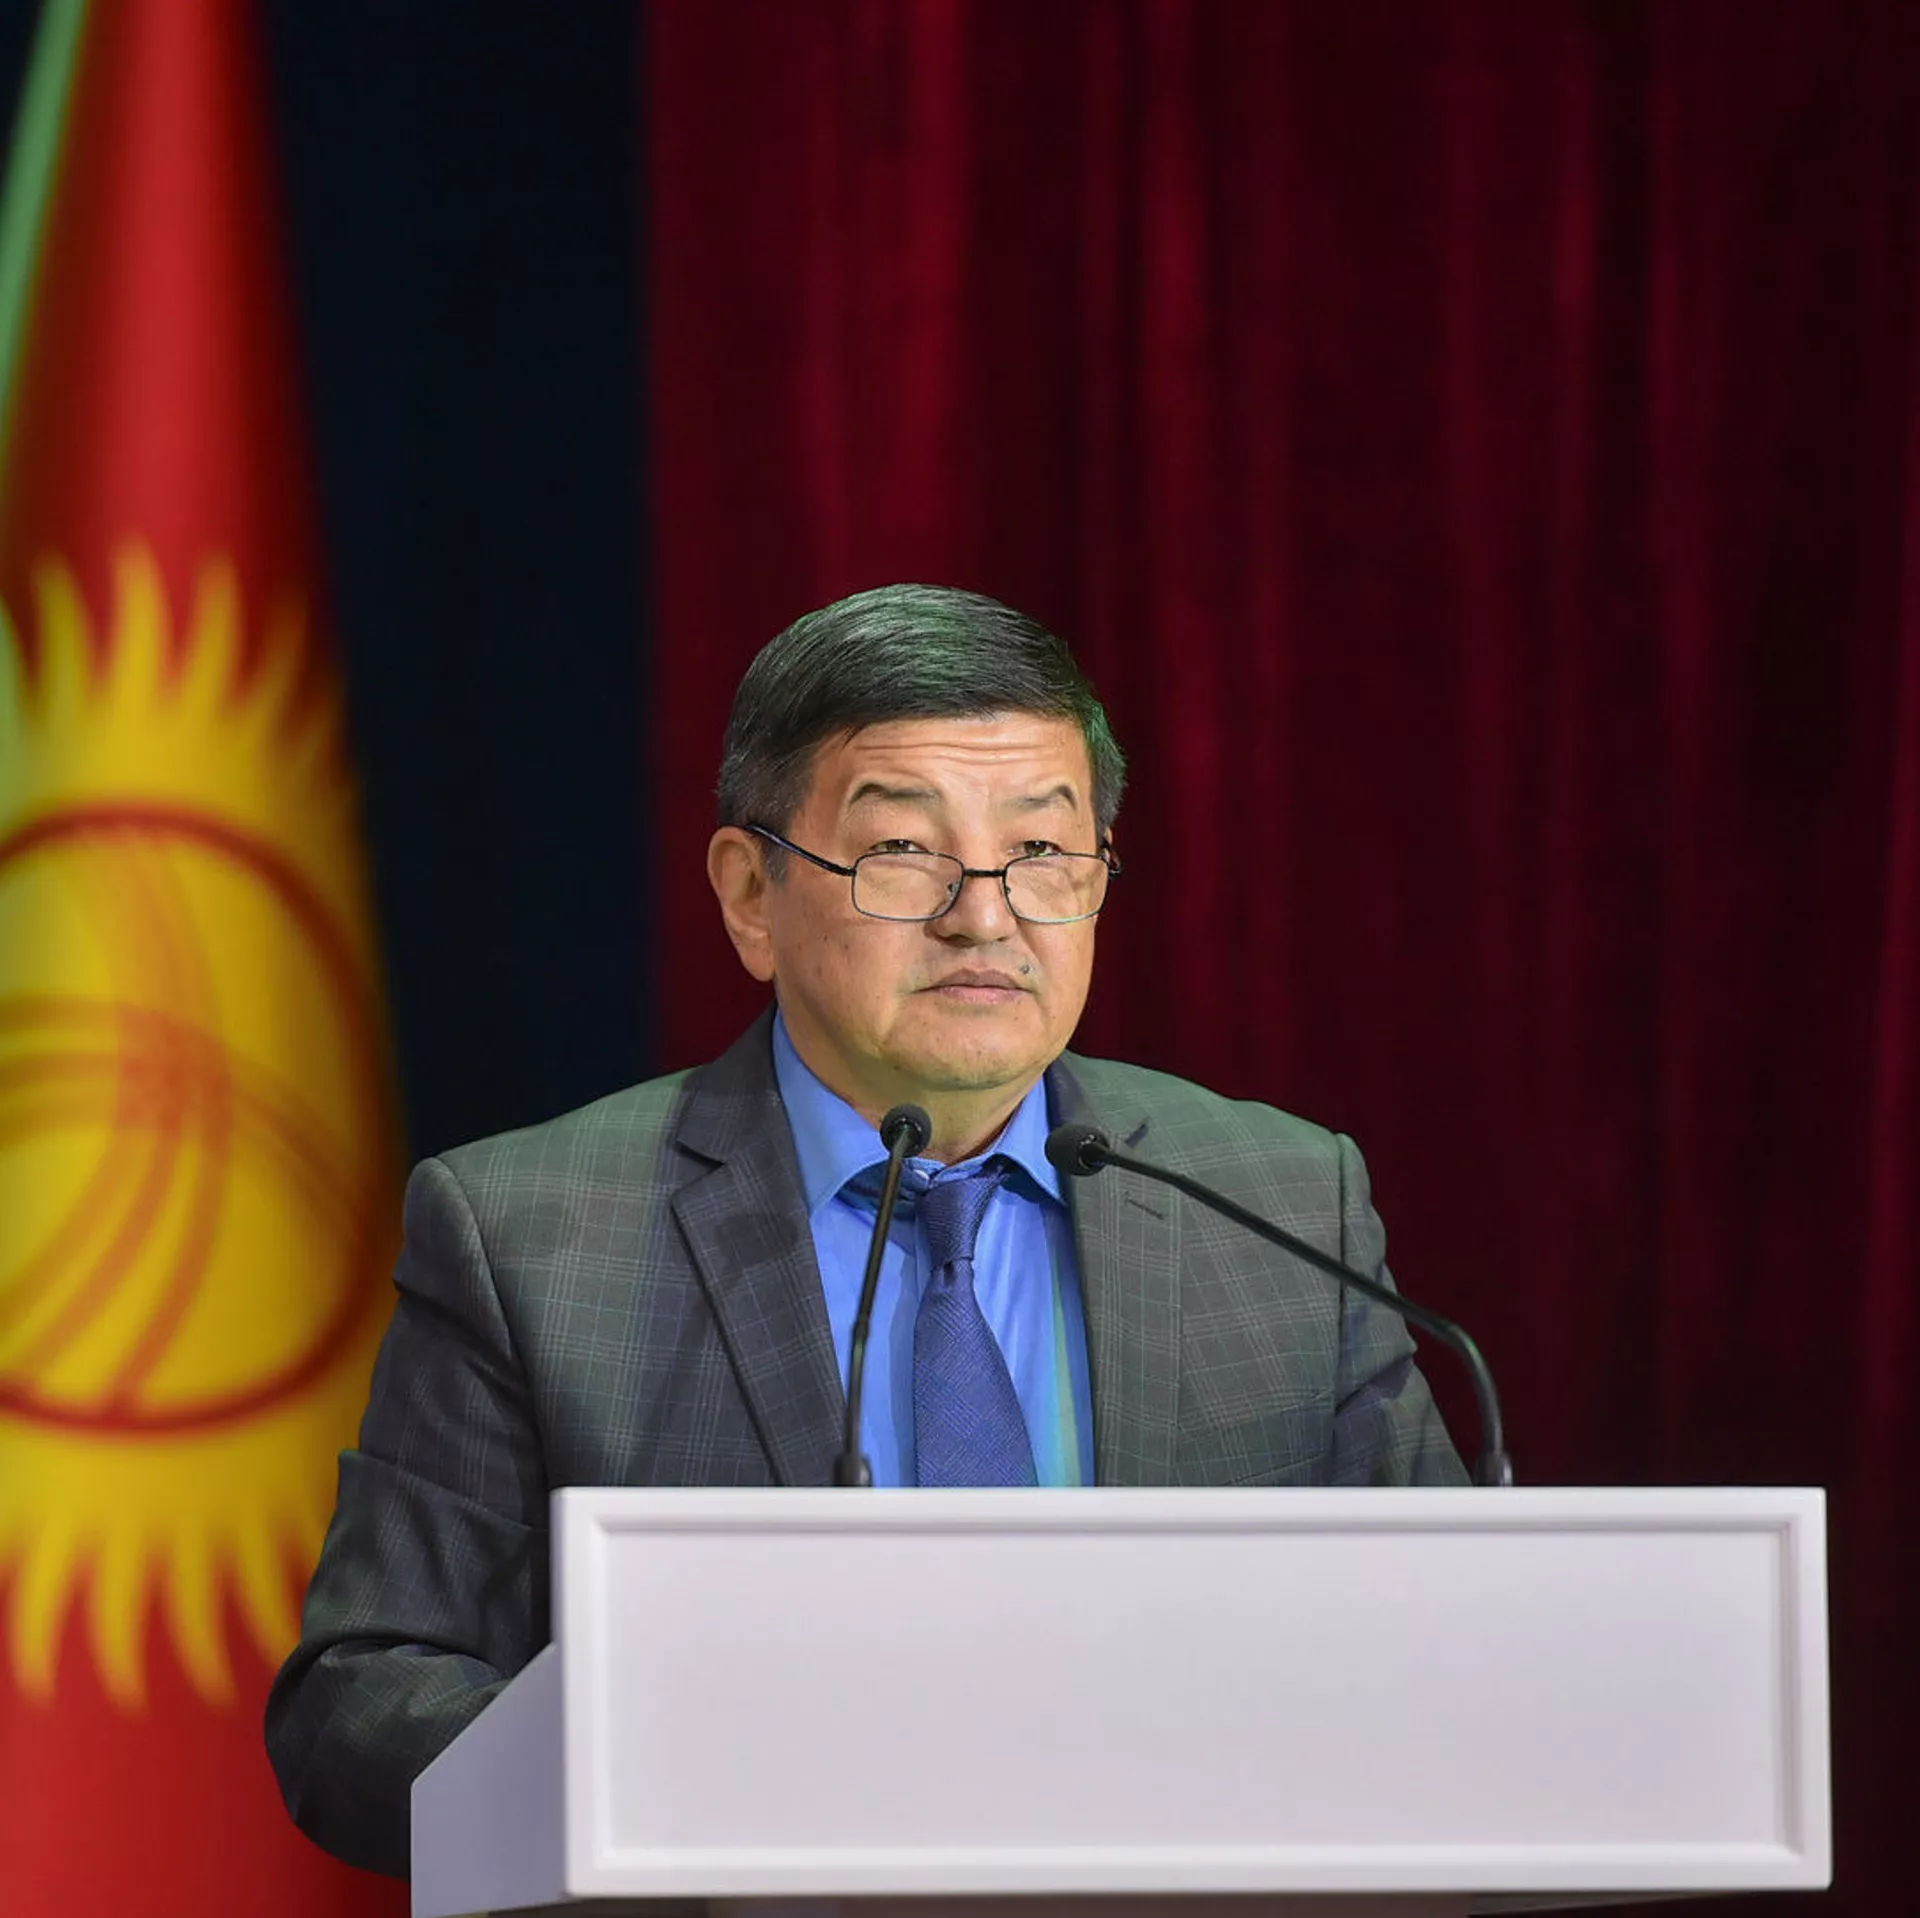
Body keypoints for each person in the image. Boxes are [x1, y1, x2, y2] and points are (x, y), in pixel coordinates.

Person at [265, 583, 1464, 1879]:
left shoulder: (1281, 1203)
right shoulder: (535, 1235)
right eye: (903, 849)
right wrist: (674, 1787)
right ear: (751, 895)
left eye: (1044, 851)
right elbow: (357, 1704)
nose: (986, 914)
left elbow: (1455, 1648)